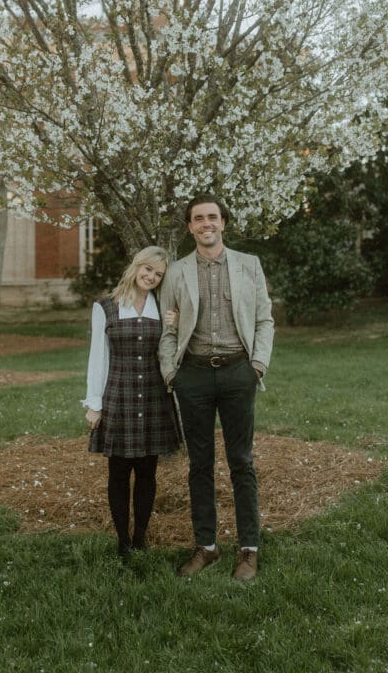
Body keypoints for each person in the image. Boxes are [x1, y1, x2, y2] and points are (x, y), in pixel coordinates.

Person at [158, 194, 274, 582]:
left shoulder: (248, 265)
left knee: (242, 461)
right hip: (192, 376)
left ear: (223, 222)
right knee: (200, 464)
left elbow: (264, 320)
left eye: (212, 217)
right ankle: (206, 546)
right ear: (190, 227)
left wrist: (257, 365)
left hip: (238, 372)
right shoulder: (177, 272)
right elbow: (168, 329)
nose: (206, 224)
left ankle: (249, 549)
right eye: (198, 219)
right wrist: (172, 373)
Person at [81, 246, 180, 561]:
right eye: (147, 269)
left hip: (153, 396)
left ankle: (140, 538)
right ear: (136, 266)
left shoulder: (163, 307)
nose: (151, 277)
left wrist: (174, 325)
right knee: (119, 472)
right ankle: (123, 540)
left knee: (148, 472)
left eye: (158, 274)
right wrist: (94, 403)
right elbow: (98, 357)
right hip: (119, 396)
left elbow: (172, 351)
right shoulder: (106, 306)